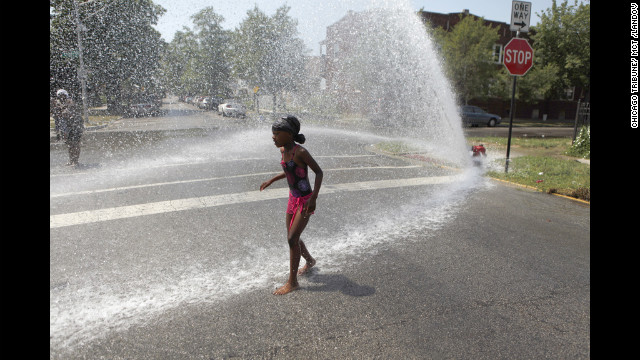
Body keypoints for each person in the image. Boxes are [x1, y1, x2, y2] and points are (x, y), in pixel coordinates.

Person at [260, 116, 323, 295]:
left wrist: (314, 198)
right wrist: (271, 179)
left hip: (305, 200)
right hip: (292, 198)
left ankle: (292, 282)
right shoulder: (282, 150)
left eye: (277, 134)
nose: (273, 137)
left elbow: (319, 172)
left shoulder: (300, 152)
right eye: (273, 134)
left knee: (292, 239)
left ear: (289, 134)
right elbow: (289, 170)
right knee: (292, 236)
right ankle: (310, 261)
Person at [52, 89, 84, 166]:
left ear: (66, 95)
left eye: (62, 95)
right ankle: (71, 160)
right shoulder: (58, 104)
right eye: (59, 96)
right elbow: (57, 116)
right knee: (70, 145)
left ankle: (75, 161)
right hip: (67, 128)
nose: (61, 97)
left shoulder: (70, 102)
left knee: (75, 144)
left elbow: (69, 113)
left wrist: (64, 111)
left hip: (76, 126)